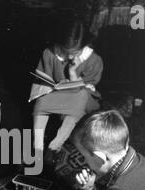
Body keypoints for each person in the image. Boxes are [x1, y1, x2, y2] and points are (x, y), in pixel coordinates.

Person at [32, 18, 103, 152]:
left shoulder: (94, 60)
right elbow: (43, 82)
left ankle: (54, 147)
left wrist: (72, 73)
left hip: (84, 101)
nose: (70, 57)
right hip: (58, 96)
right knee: (41, 97)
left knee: (81, 96)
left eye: (75, 53)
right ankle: (37, 147)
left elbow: (81, 91)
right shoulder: (49, 54)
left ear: (84, 46)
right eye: (66, 51)